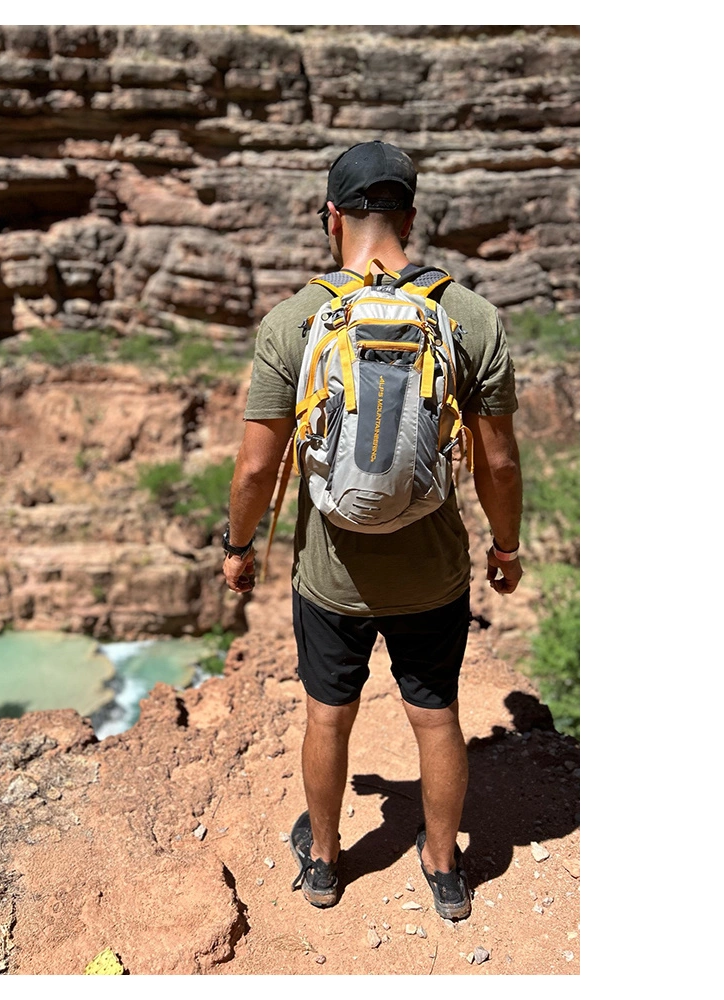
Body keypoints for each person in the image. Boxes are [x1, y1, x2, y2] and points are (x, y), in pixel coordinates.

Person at [222, 140, 523, 919]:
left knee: (328, 712)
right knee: (436, 714)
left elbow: (257, 470)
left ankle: (323, 862)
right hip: (431, 569)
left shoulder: (294, 321)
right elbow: (499, 463)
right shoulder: (471, 317)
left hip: (332, 574)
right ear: (410, 218)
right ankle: (443, 866)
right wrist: (506, 545)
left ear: (333, 217)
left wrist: (239, 547)